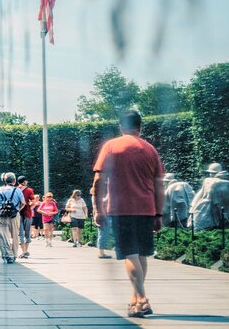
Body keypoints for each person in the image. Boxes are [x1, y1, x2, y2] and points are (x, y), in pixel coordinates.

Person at [92, 110, 164, 318]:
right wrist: (159, 214)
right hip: (147, 209)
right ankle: (135, 300)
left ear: (121, 127)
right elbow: (159, 186)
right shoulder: (151, 149)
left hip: (121, 209)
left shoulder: (111, 146)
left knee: (130, 254)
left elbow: (98, 181)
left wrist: (98, 209)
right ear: (140, 127)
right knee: (141, 255)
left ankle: (142, 298)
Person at [0, 172, 25, 263]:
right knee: (15, 236)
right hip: (14, 216)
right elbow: (23, 203)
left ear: (4, 181)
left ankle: (6, 254)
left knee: (2, 237)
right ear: (14, 181)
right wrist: (17, 210)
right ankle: (13, 255)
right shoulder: (18, 191)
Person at [90, 186, 112, 259]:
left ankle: (101, 252)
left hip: (101, 215)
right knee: (103, 233)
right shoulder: (96, 197)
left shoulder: (96, 196)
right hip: (102, 216)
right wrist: (110, 192)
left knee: (103, 233)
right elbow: (104, 201)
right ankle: (101, 253)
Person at [17, 175, 35, 258]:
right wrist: (29, 208)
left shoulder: (16, 190)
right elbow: (34, 202)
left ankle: (24, 252)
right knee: (27, 233)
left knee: (20, 233)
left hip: (17, 214)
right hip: (27, 213)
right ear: (24, 182)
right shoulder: (29, 190)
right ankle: (26, 251)